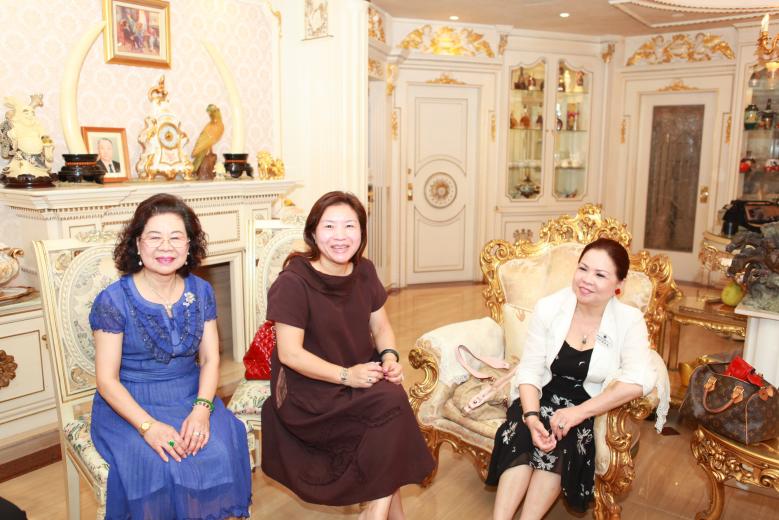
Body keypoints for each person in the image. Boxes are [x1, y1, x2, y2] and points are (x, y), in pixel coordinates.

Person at [261, 191, 434, 520]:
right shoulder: (293, 282)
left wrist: (390, 358)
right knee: (393, 407)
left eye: (349, 226)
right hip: (307, 388)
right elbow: (291, 354)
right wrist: (346, 375)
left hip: (359, 375)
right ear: (313, 233)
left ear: (361, 233)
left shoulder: (364, 271)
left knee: (392, 401)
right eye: (329, 226)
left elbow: (381, 327)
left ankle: (378, 512)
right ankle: (376, 515)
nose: (340, 236)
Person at [89, 193, 251, 519]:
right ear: (137, 243)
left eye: (176, 237)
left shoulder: (201, 291)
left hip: (190, 394)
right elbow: (106, 381)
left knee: (220, 447)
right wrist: (148, 427)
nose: (166, 247)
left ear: (189, 245)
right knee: (160, 463)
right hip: (130, 404)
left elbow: (210, 359)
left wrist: (202, 410)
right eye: (154, 237)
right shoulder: (113, 300)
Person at [486, 238, 656, 519]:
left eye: (600, 274)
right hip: (540, 394)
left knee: (562, 440)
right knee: (522, 433)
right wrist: (531, 416)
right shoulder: (549, 307)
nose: (586, 280)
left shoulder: (629, 320)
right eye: (583, 269)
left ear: (619, 284)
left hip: (585, 406)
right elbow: (529, 369)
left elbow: (638, 380)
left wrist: (578, 413)